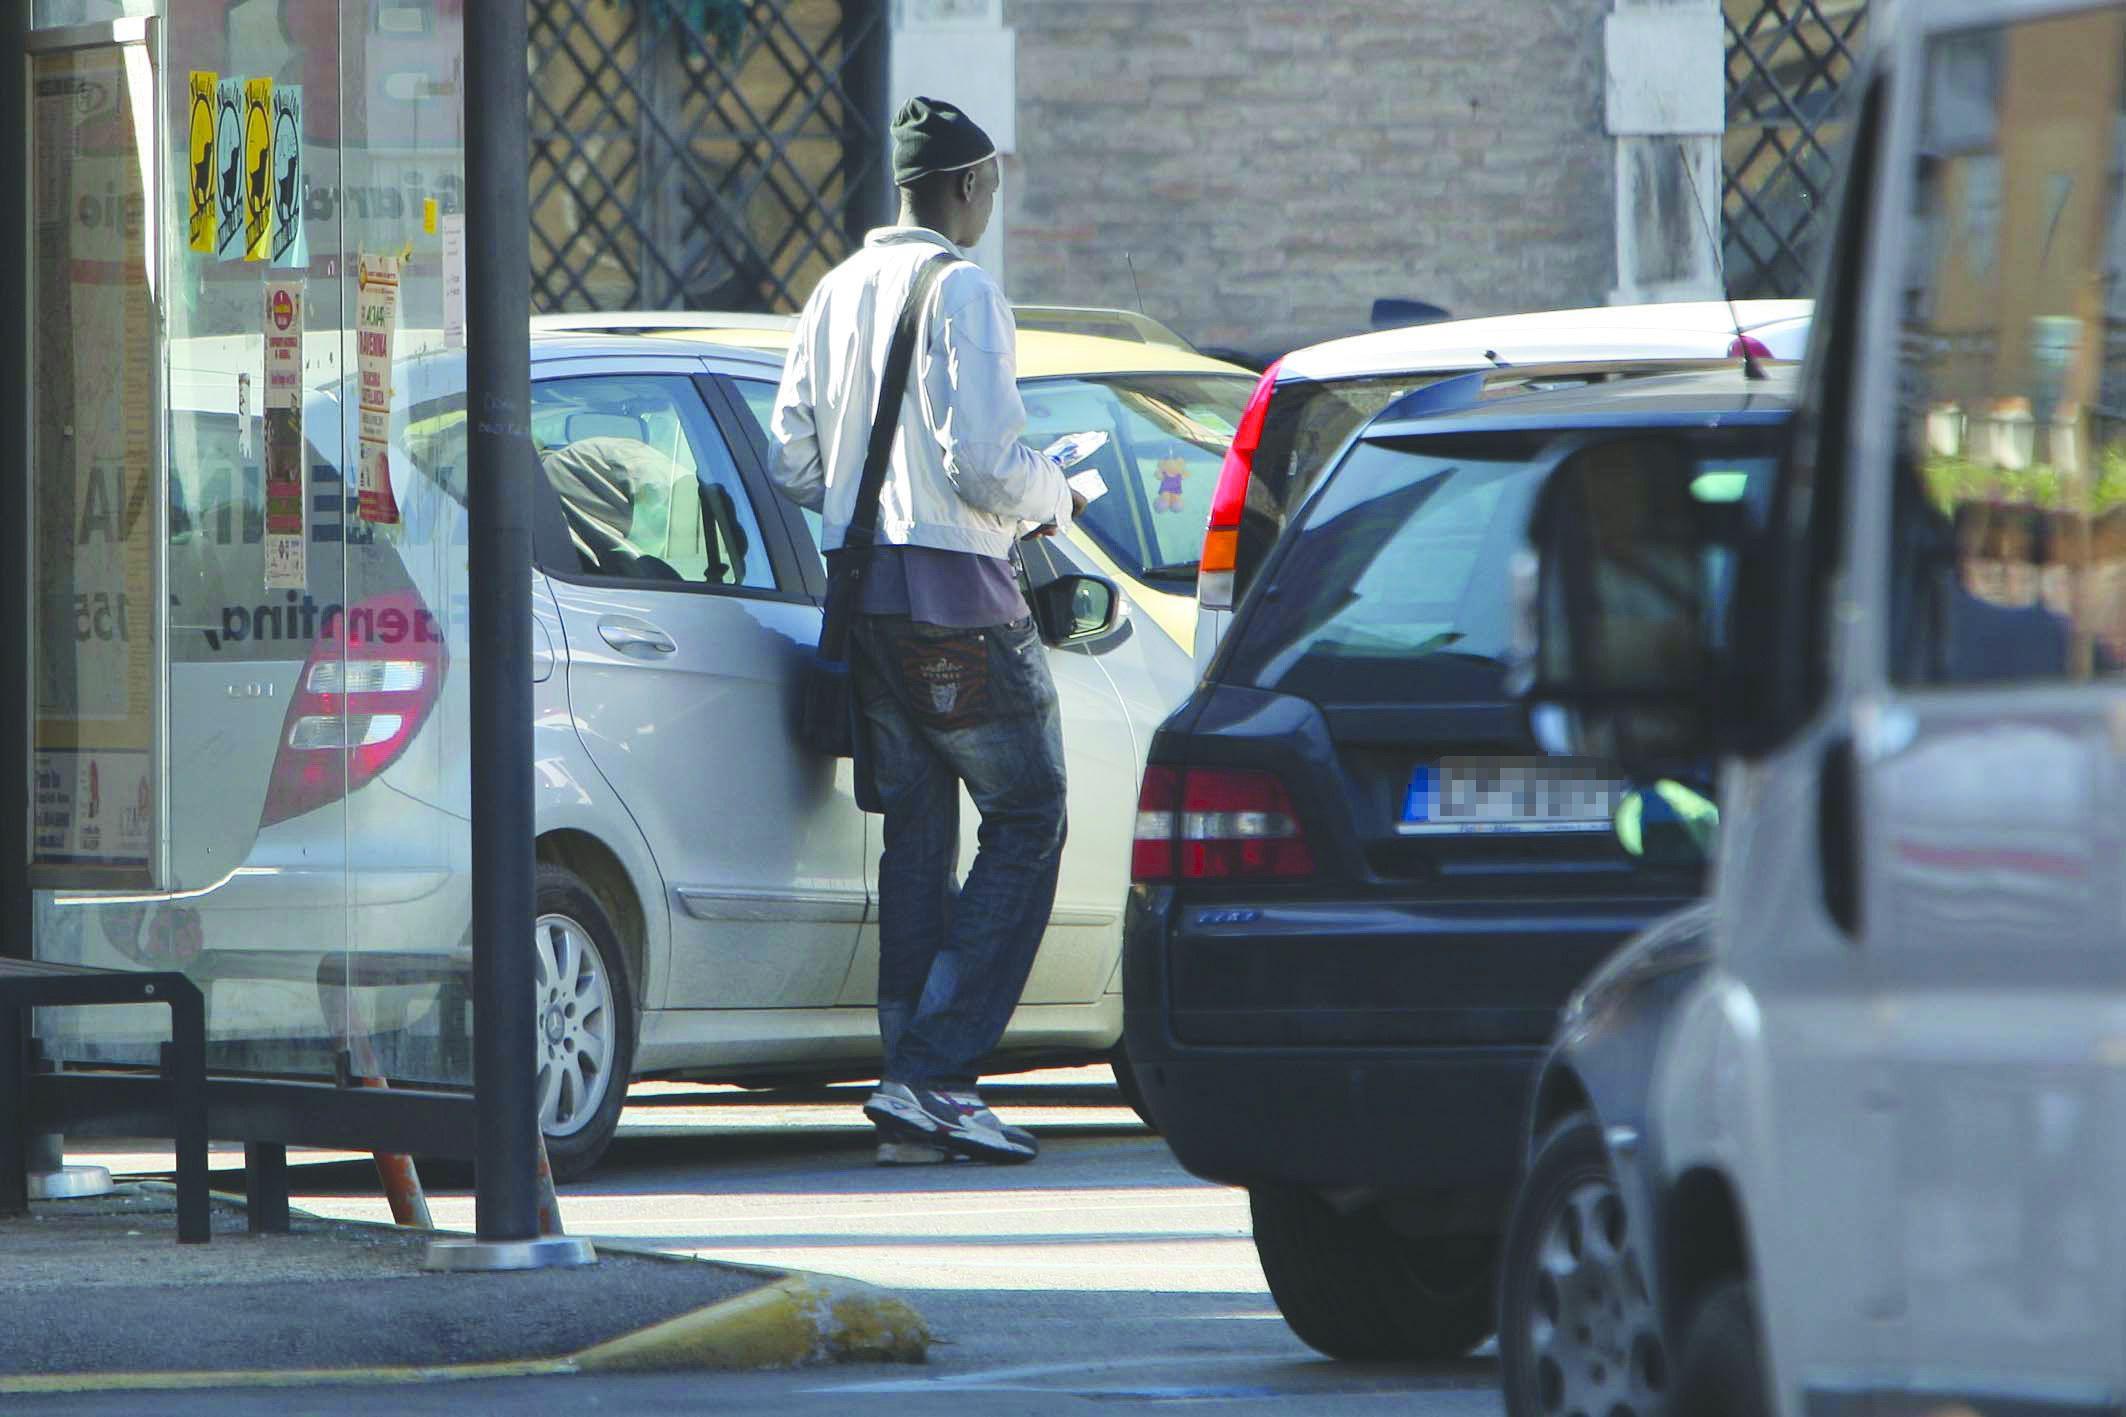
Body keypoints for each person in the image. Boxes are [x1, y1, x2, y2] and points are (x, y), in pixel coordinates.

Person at [768, 97, 1085, 1166]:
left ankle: (909, 1078)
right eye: (989, 183)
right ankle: (936, 1073)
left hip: (860, 602)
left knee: (916, 831)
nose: (990, 201)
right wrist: (1055, 499)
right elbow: (988, 463)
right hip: (956, 596)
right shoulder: (963, 289)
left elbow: (792, 465)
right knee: (1030, 812)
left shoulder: (830, 291)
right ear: (964, 187)